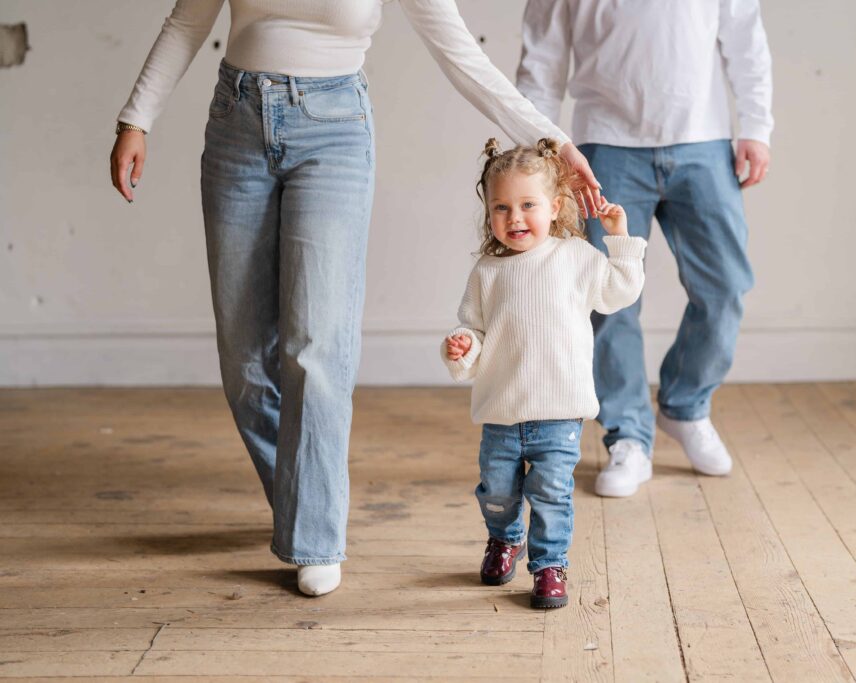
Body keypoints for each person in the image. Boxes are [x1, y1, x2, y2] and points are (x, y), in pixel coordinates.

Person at [108, 0, 603, 597]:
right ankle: (302, 500)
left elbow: (460, 54)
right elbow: (188, 19)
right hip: (236, 118)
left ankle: (313, 534)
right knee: (243, 361)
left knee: (316, 347)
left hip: (334, 129)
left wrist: (553, 141)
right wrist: (137, 119)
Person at [516, 0, 774, 496]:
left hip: (704, 141)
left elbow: (745, 39)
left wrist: (757, 128)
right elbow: (541, 61)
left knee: (725, 287)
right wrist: (541, 153)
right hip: (603, 145)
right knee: (610, 299)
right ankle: (628, 436)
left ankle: (685, 407)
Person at [442, 138, 645, 608]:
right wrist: (462, 346)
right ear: (489, 211)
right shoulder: (488, 272)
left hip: (559, 412)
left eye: (528, 205)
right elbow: (473, 330)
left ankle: (549, 565)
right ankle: (504, 537)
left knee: (552, 494)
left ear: (555, 208)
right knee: (497, 490)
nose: (515, 218)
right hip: (502, 411)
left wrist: (620, 237)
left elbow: (618, 293)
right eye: (502, 207)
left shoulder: (575, 257)